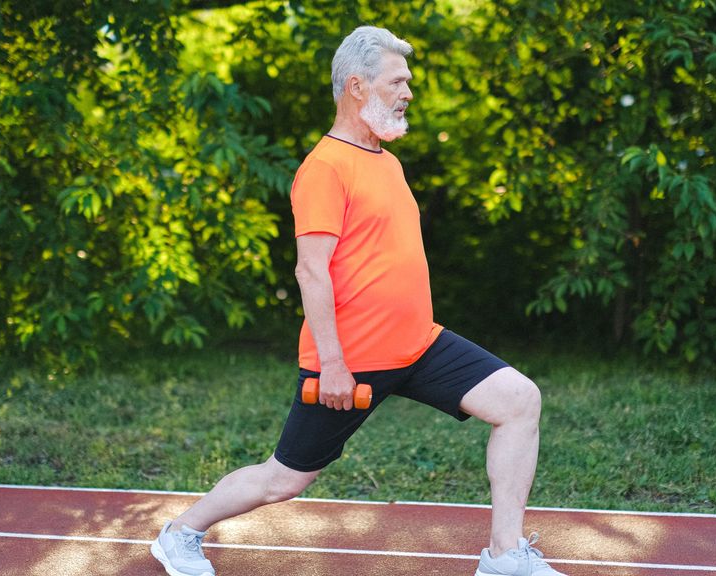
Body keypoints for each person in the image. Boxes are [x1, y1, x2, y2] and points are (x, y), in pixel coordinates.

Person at [151, 26, 567, 576]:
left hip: (419, 346)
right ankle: (179, 534)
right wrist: (333, 366)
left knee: (518, 400)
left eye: (408, 82)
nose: (409, 92)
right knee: (285, 479)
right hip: (352, 360)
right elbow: (311, 271)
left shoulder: (386, 163)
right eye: (399, 81)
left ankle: (505, 556)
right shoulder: (324, 168)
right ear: (356, 86)